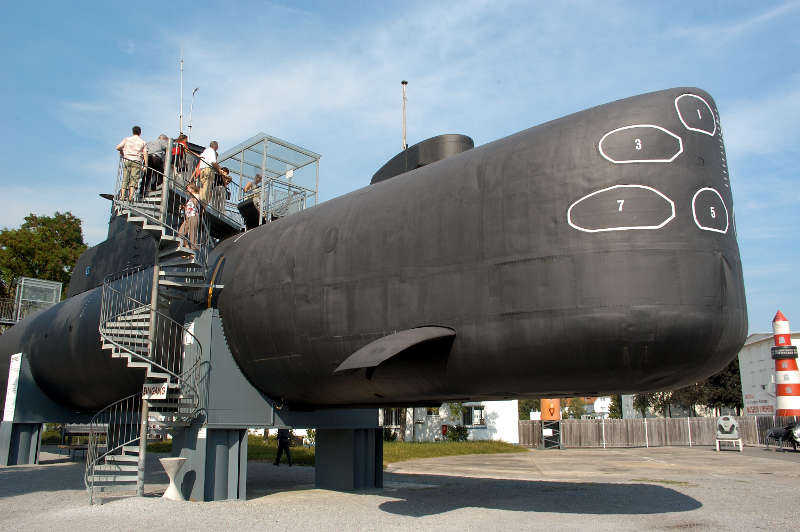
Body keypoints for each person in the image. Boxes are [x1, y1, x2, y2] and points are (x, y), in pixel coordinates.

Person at [116, 126, 148, 201]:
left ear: (133, 132)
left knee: (125, 178)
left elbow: (118, 147)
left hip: (127, 160)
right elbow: (145, 153)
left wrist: (122, 153)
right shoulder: (142, 142)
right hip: (137, 161)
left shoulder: (127, 139)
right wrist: (146, 165)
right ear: (140, 133)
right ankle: (130, 196)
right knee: (134, 179)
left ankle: (122, 196)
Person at [177, 184, 201, 251]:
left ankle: (193, 249)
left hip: (193, 216)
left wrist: (191, 195)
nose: (187, 190)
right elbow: (190, 207)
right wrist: (184, 207)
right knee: (180, 233)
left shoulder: (197, 196)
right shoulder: (191, 198)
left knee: (192, 233)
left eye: (188, 188)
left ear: (192, 189)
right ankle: (186, 246)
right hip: (188, 218)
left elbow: (195, 203)